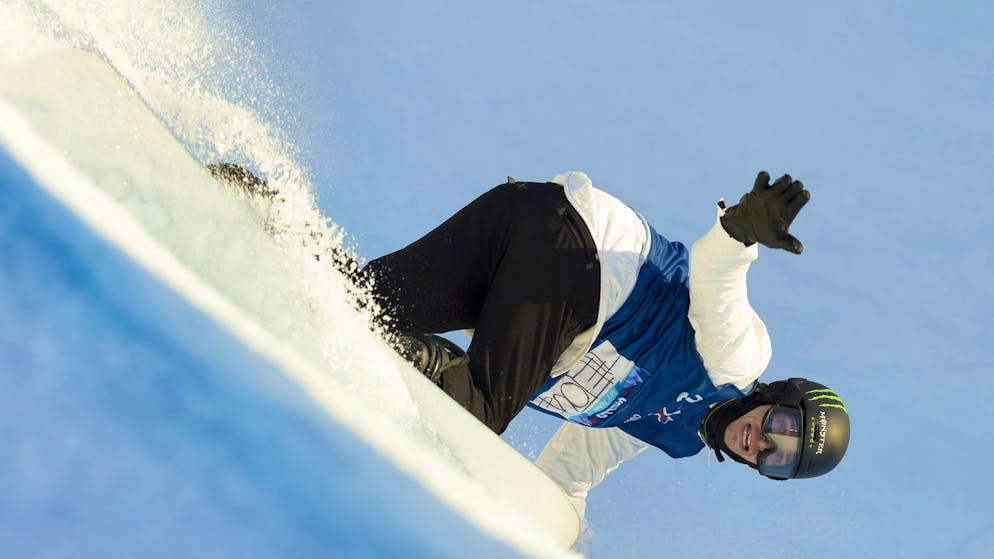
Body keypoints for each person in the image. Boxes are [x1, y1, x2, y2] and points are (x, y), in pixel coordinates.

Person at [210, 164, 850, 527]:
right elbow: (715, 280)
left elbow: (570, 472)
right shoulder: (736, 361)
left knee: (351, 300)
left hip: (526, 223)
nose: (762, 442)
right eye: (782, 425)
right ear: (777, 394)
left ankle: (239, 204)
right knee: (473, 414)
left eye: (776, 459)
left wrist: (560, 538)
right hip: (574, 259)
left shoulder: (667, 430)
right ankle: (440, 364)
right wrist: (740, 232)